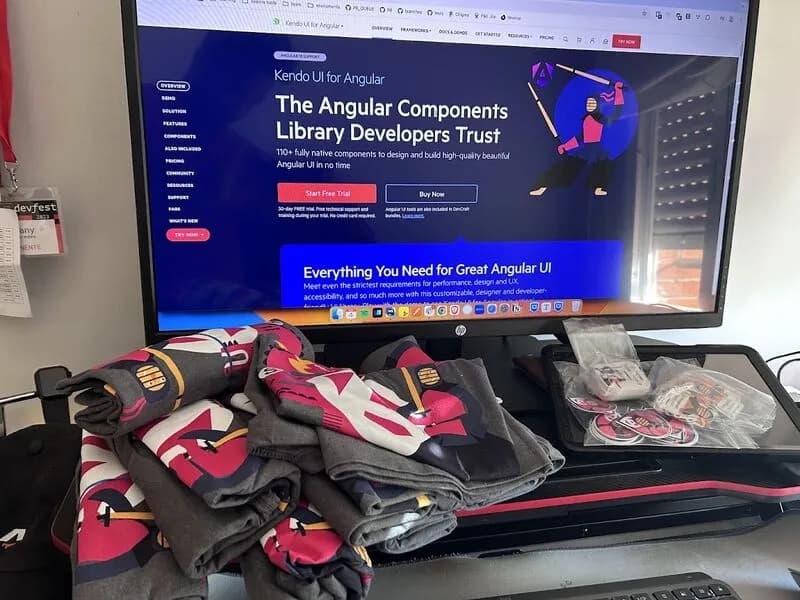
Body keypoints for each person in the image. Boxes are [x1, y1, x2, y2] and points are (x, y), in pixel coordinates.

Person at [530, 81, 625, 197]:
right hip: (586, 148)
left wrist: (618, 92)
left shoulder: (601, 119)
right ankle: (544, 186)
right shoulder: (586, 119)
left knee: (605, 163)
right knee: (568, 166)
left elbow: (617, 113)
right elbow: (581, 137)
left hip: (597, 148)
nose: (589, 105)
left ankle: (599, 187)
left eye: (592, 103)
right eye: (588, 103)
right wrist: (565, 147)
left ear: (597, 105)